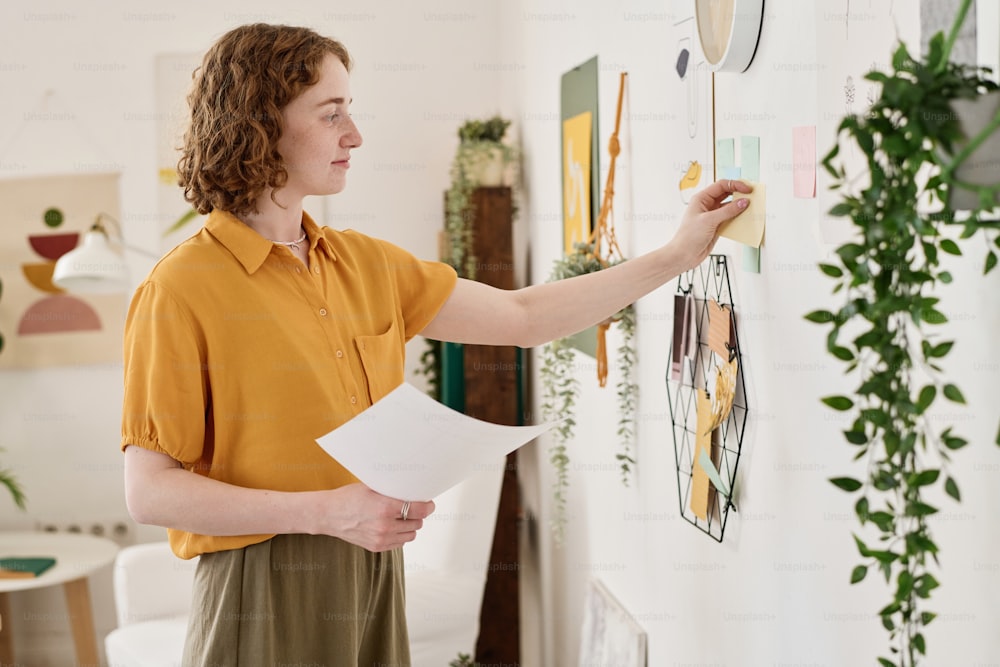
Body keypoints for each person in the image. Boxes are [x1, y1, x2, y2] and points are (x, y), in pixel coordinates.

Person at [121, 22, 752, 667]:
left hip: (373, 572)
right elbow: (150, 492)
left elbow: (522, 316)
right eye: (331, 112)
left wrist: (679, 254)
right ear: (262, 123)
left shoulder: (363, 264)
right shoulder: (180, 288)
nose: (355, 134)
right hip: (259, 589)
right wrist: (329, 514)